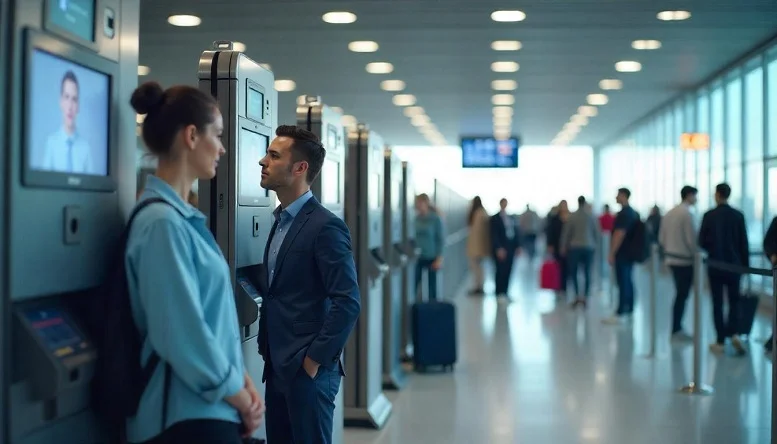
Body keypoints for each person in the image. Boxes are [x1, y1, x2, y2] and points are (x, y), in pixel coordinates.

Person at [127, 82, 264, 443]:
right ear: (191, 136)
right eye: (217, 135)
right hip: (184, 419)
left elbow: (210, 322)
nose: (221, 148)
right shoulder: (162, 224)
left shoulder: (182, 219)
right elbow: (179, 331)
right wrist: (237, 393)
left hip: (210, 407)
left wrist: (241, 384)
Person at [256, 125, 361, 444]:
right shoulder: (280, 221)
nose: (263, 161)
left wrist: (313, 361)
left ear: (300, 168)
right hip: (276, 365)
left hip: (306, 371)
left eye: (274, 155)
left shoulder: (325, 226)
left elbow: (348, 301)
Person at [698, 183, 749, 355]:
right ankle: (734, 332)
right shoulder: (738, 216)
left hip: (715, 266)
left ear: (717, 194)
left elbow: (701, 242)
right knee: (735, 301)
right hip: (735, 266)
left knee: (717, 302)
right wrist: (745, 267)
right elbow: (744, 243)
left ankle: (720, 339)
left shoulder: (709, 215)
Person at [658, 186, 698, 342]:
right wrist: (697, 254)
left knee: (680, 294)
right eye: (695, 196)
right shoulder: (687, 214)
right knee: (682, 295)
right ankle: (676, 328)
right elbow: (691, 240)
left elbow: (661, 238)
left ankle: (676, 327)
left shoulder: (669, 213)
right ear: (689, 195)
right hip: (684, 260)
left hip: (671, 258)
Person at [41, 70, 94, 174]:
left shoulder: (85, 148)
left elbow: (91, 188)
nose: (70, 106)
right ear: (61, 102)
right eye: (67, 97)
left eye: (74, 99)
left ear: (78, 106)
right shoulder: (51, 144)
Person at [603, 188, 639, 325]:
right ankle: (628, 308)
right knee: (627, 280)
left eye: (618, 195)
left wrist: (612, 252)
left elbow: (619, 234)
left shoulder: (624, 213)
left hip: (623, 253)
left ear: (624, 196)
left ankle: (621, 311)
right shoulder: (632, 212)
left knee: (623, 281)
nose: (616, 197)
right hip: (629, 253)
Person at [560, 196, 600, 308]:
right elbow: (596, 232)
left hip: (575, 247)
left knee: (574, 272)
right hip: (589, 246)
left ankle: (577, 296)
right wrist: (596, 245)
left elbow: (566, 233)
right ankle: (585, 297)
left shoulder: (572, 216)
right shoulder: (591, 216)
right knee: (587, 272)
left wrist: (563, 246)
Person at [414, 193, 445, 300]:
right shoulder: (416, 219)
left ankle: (433, 311)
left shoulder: (435, 219)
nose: (418, 205)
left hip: (432, 257)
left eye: (420, 203)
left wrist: (439, 258)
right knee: (415, 286)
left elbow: (440, 239)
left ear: (426, 203)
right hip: (418, 257)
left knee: (432, 288)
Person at [490, 198, 520, 300]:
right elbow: (494, 235)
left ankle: (505, 292)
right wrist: (498, 248)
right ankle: (498, 293)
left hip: (510, 247)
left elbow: (515, 232)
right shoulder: (495, 218)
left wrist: (518, 246)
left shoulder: (511, 217)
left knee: (508, 270)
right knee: (500, 270)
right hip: (501, 248)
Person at [466, 196, 491, 295]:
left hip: (477, 247)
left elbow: (478, 232)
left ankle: (479, 287)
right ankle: (478, 286)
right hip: (478, 246)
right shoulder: (481, 212)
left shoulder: (479, 213)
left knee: (477, 268)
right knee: (478, 268)